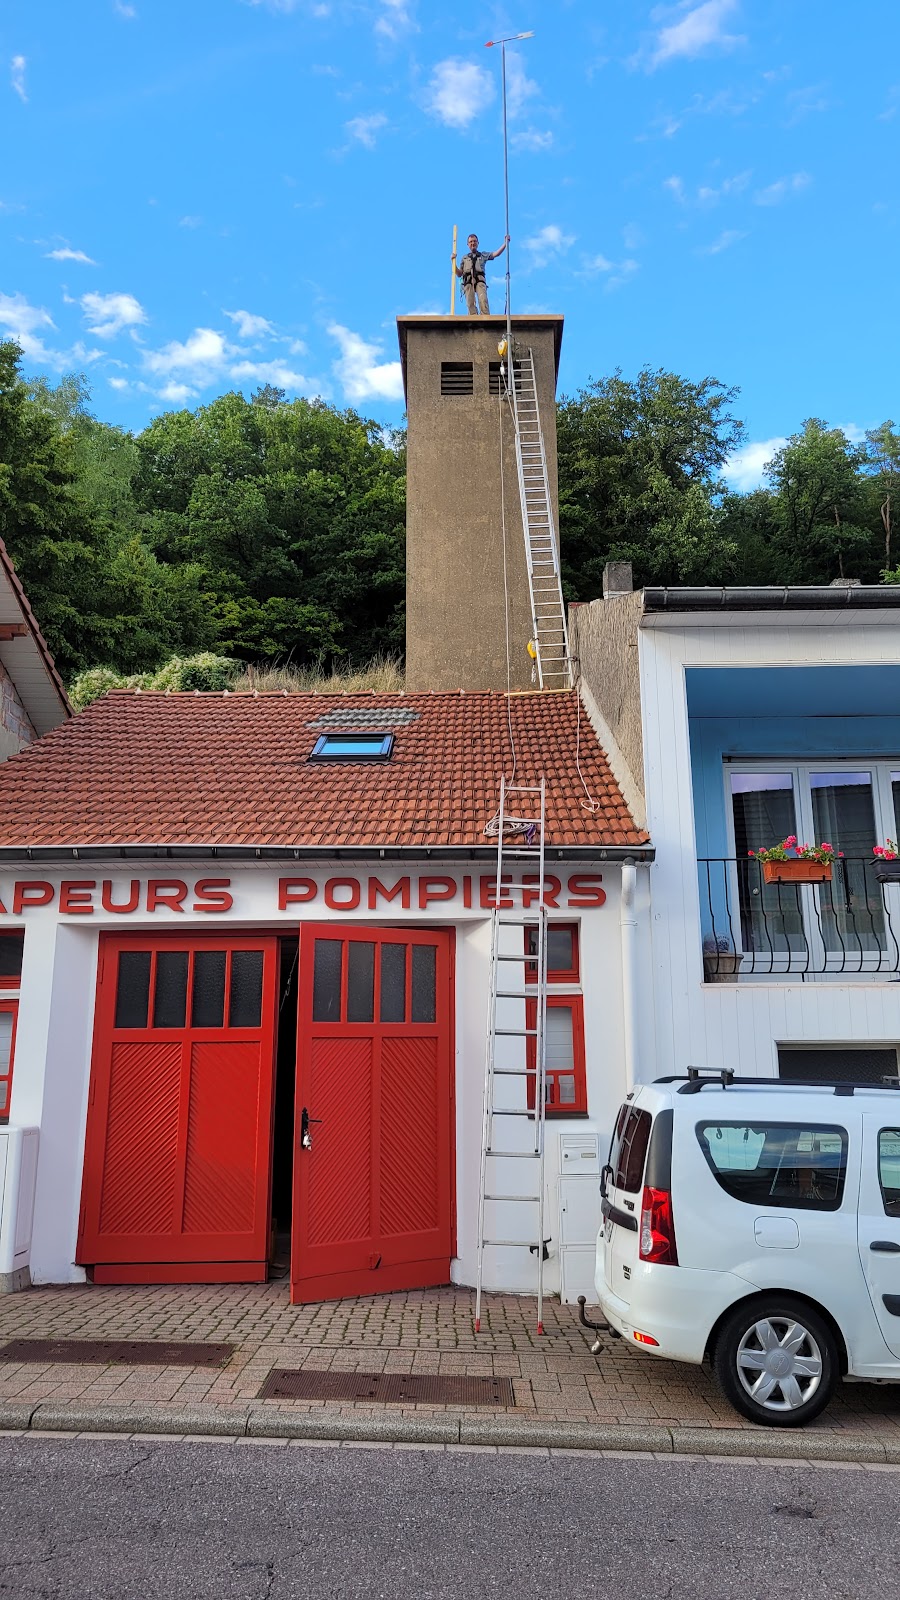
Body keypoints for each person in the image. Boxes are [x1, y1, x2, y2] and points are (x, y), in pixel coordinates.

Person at [455, 233, 510, 315]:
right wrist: (453, 263)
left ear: (478, 243)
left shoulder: (482, 255)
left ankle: (485, 317)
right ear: (468, 244)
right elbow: (459, 274)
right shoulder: (464, 258)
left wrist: (505, 243)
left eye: (474, 241)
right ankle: (473, 317)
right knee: (470, 303)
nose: (473, 243)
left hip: (480, 281)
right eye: (470, 242)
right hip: (468, 282)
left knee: (483, 300)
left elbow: (496, 254)